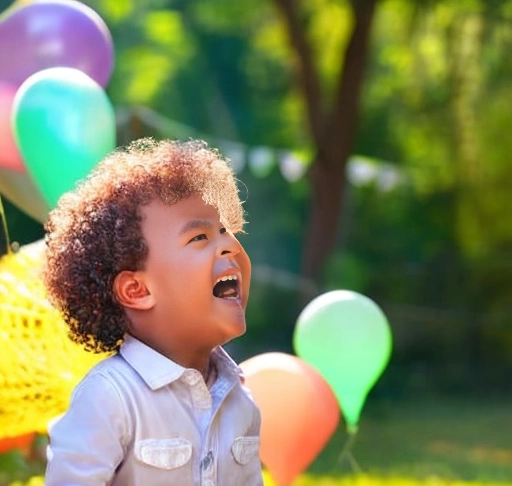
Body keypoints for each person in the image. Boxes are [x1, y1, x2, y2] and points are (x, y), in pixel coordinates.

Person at [43, 137, 263, 486]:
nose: (230, 246)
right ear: (138, 290)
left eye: (226, 230)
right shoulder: (110, 397)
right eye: (200, 238)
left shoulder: (240, 401)